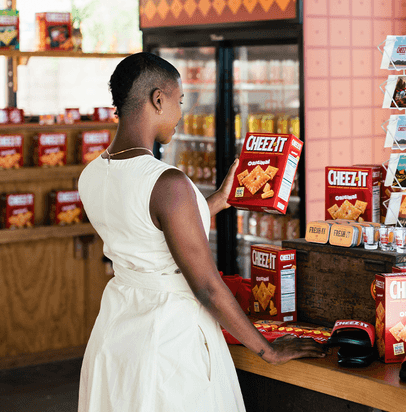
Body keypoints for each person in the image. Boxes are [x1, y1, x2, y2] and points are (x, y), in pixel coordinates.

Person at [77, 52, 325, 411]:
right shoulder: (167, 182)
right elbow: (207, 287)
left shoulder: (93, 174)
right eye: (179, 102)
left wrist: (215, 202)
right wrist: (267, 349)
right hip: (169, 342)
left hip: (116, 333)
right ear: (157, 99)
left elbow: (147, 233)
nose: (181, 114)